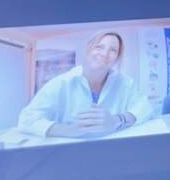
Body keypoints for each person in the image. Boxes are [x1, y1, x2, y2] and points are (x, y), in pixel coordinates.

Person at [17, 31, 154, 138]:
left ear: (117, 58)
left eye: (113, 50)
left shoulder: (125, 83)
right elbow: (27, 120)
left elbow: (146, 108)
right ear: (88, 49)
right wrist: (68, 130)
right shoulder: (62, 83)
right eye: (99, 47)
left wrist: (117, 120)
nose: (105, 54)